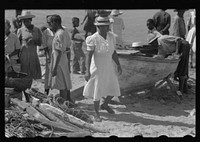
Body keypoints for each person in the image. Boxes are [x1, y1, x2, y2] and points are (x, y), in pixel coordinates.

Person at [83, 16, 122, 122]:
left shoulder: (111, 37)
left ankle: (105, 105)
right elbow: (89, 55)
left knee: (113, 87)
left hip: (109, 65)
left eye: (107, 26)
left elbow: (113, 52)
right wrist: (87, 71)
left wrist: (118, 64)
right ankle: (96, 112)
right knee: (98, 88)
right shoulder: (92, 38)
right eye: (104, 26)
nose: (106, 28)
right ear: (99, 27)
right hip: (97, 67)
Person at [48, 15, 75, 105]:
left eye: (50, 23)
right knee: (65, 81)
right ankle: (68, 100)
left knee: (61, 84)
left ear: (55, 23)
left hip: (58, 61)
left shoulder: (59, 34)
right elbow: (68, 48)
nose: (49, 25)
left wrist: (54, 68)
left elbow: (58, 52)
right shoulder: (64, 32)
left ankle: (64, 103)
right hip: (64, 59)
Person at [17, 10, 42, 79]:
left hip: (33, 55)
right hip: (24, 55)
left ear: (31, 20)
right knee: (24, 74)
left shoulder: (37, 30)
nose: (25, 23)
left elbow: (40, 43)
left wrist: (34, 41)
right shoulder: (20, 30)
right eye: (24, 21)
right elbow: (18, 45)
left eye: (27, 21)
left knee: (34, 74)